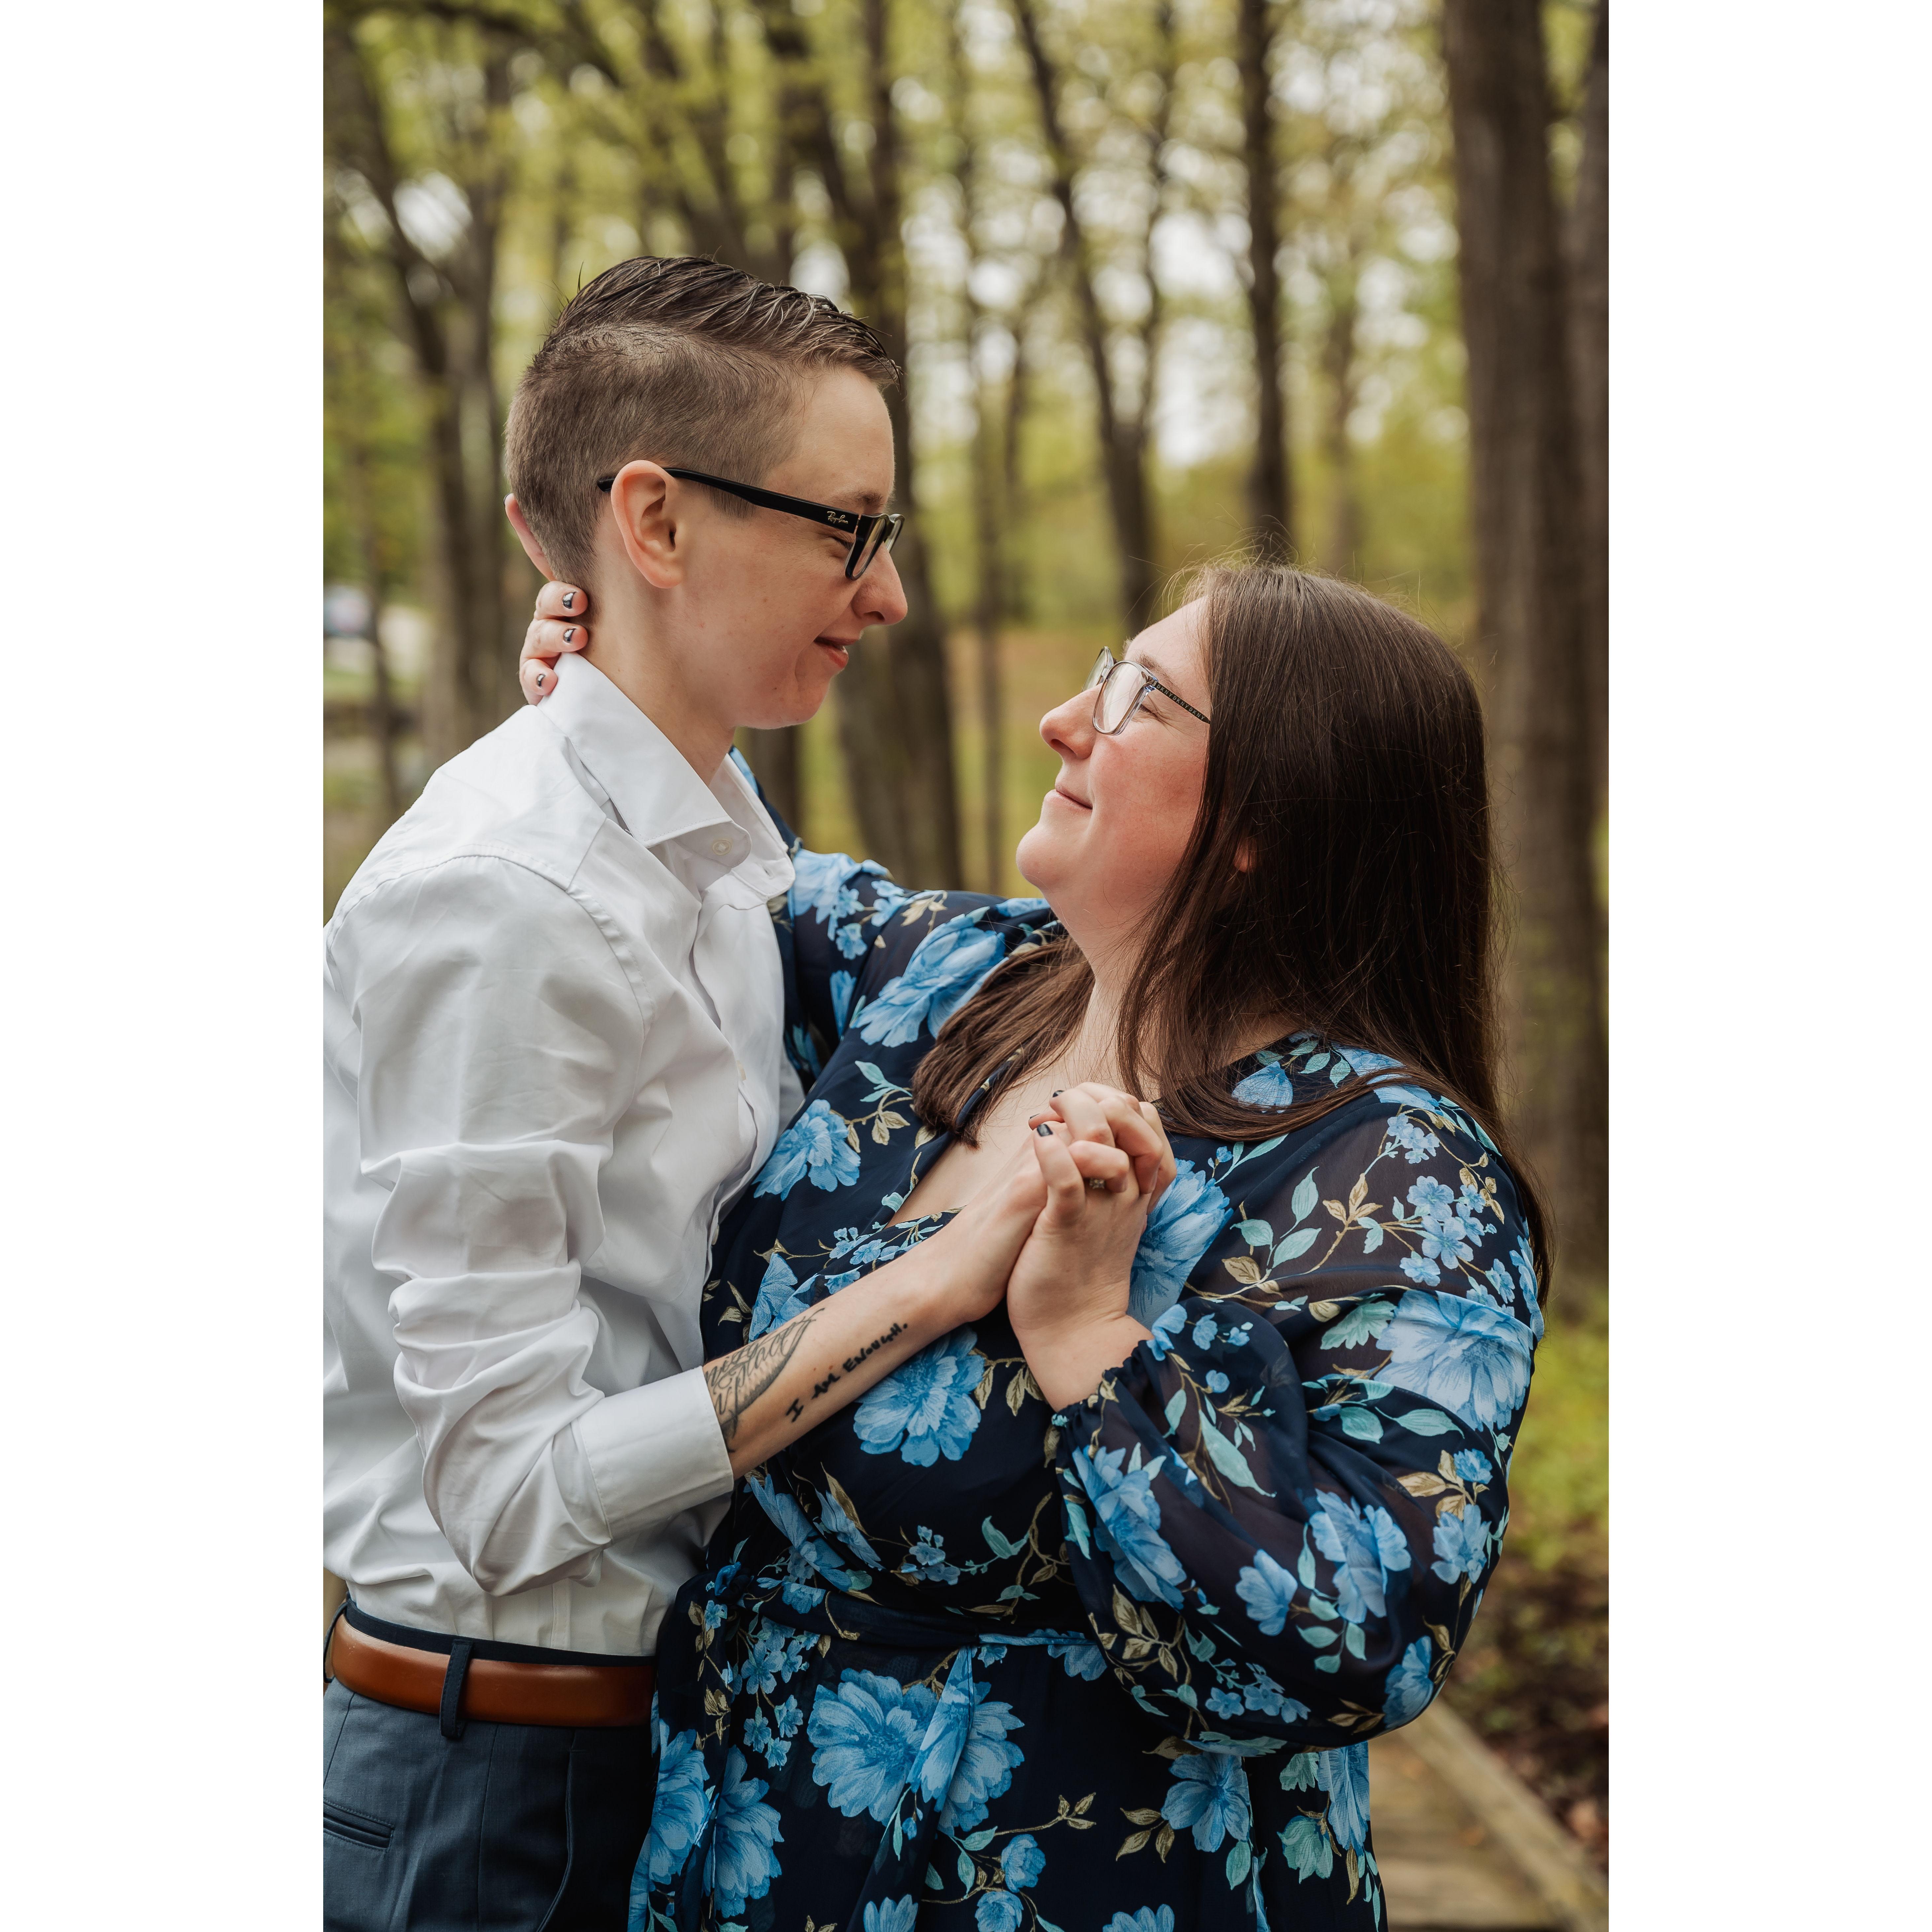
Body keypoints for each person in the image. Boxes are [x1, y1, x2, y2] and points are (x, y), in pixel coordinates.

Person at [516, 561, 1547, 1932]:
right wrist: (617, 674)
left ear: (1267, 817)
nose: (1065, 718)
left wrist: (1091, 1342)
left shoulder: (1395, 1174)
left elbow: (1360, 1644)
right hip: (740, 1848)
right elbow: (718, 867)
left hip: (1085, 1886)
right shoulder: (957, 977)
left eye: (1137, 700)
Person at [325, 256, 1041, 1931]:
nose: (886, 593)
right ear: (652, 521)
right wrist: (922, 1292)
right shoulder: (506, 894)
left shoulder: (713, 841)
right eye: (848, 528)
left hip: (661, 1752)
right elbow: (504, 1489)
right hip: (503, 1793)